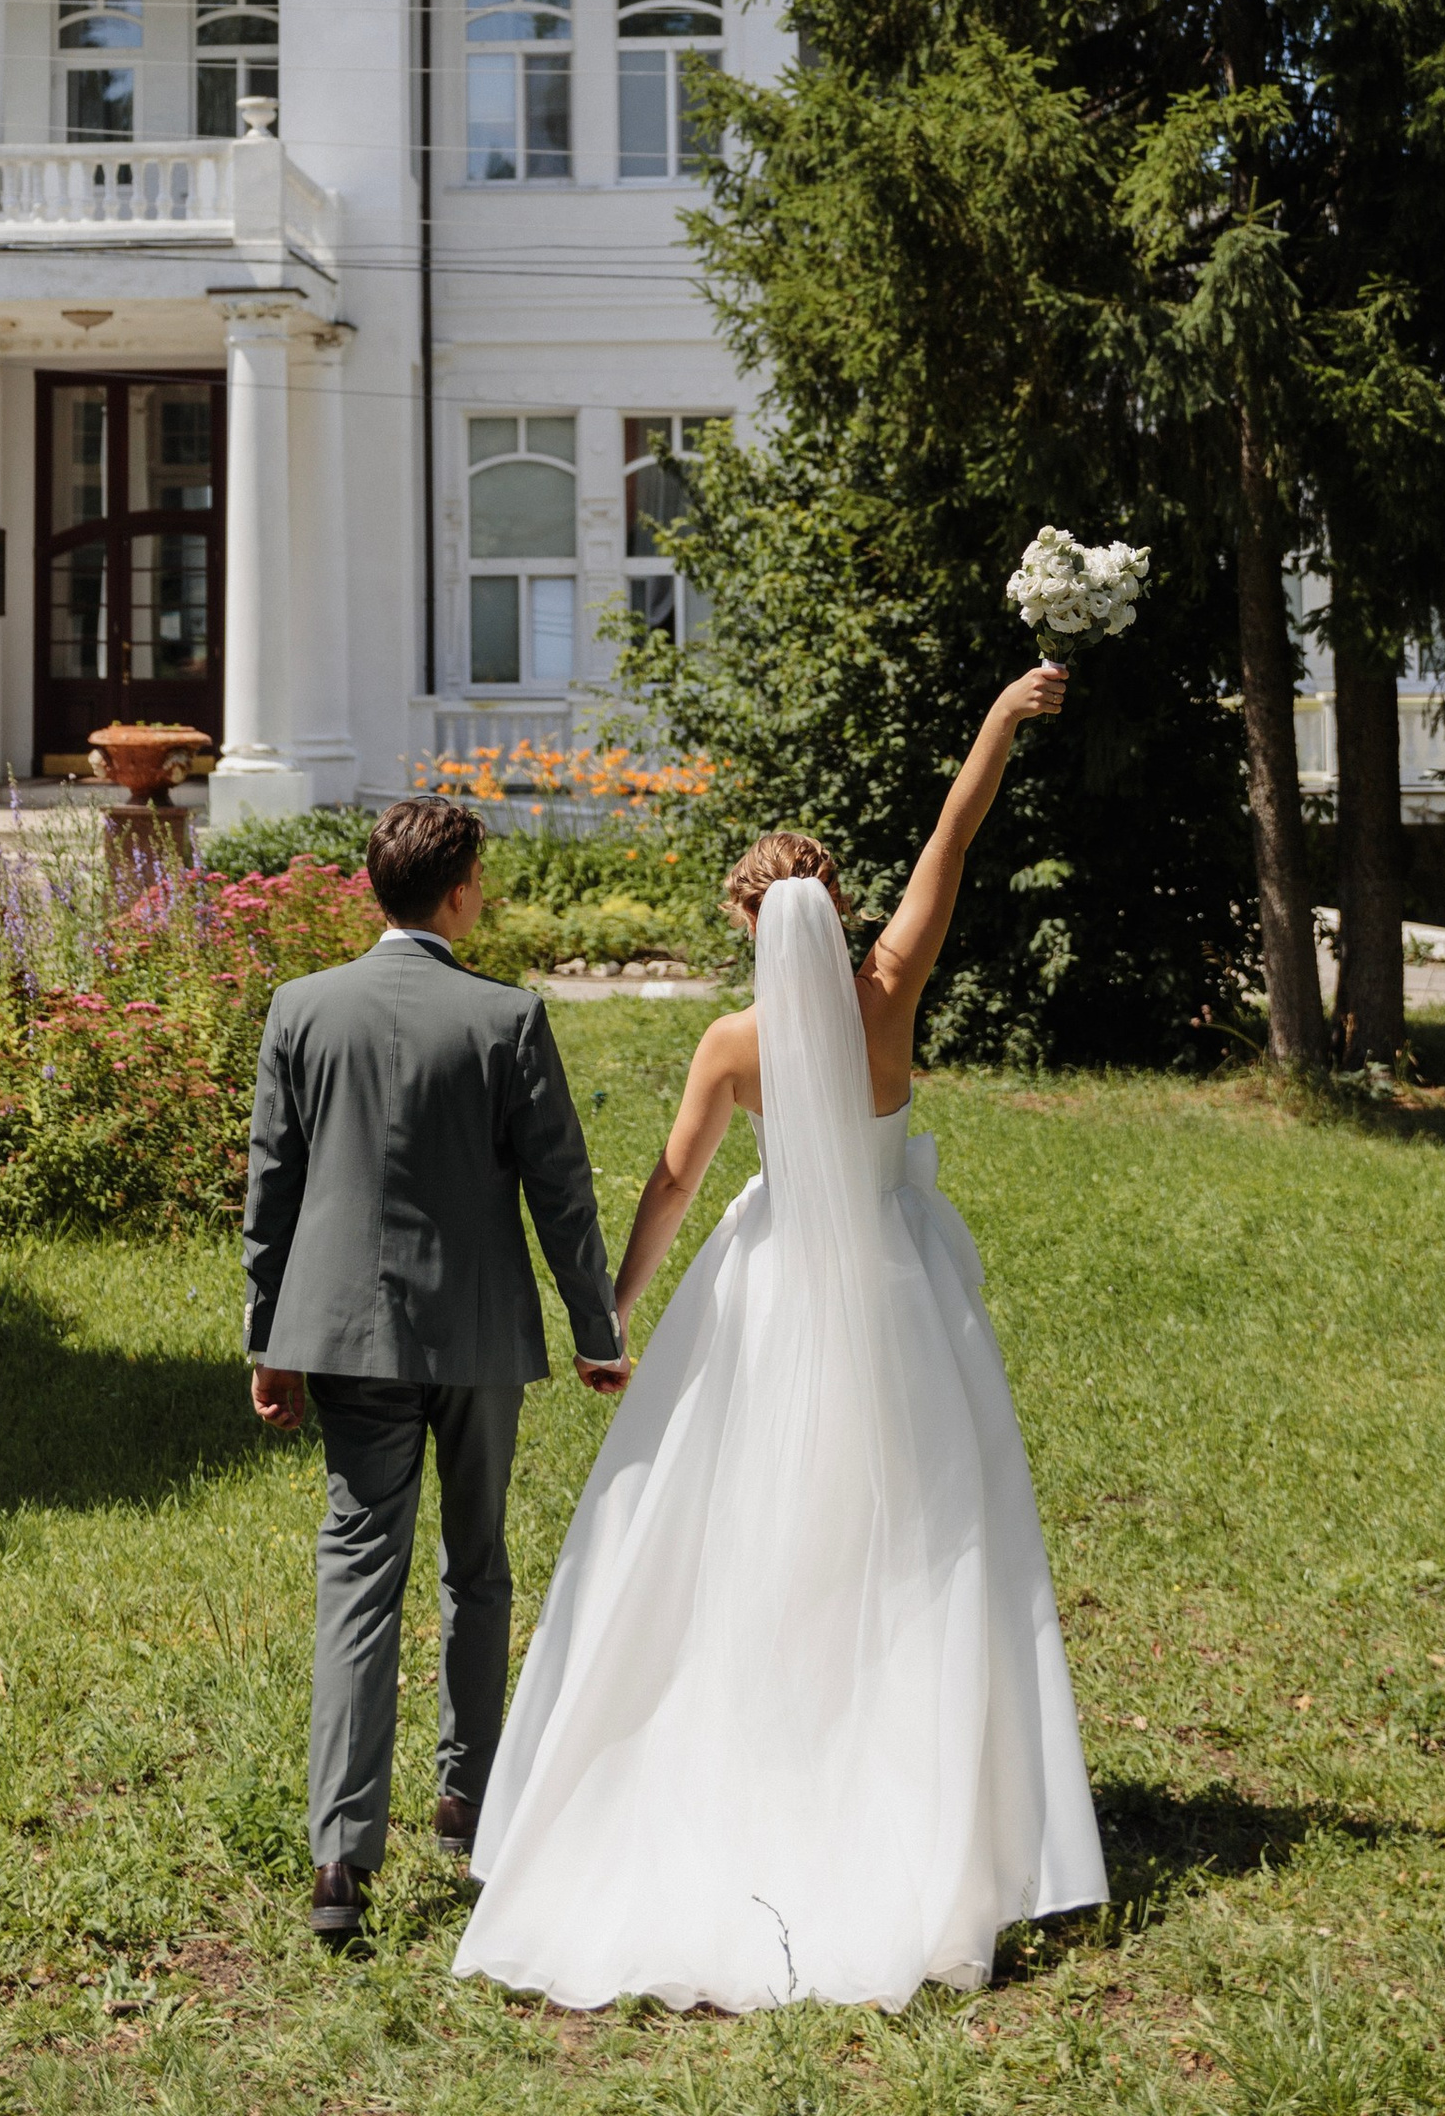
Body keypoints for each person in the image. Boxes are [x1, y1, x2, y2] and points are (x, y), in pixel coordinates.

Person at [453, 664, 1108, 2013]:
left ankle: (751, 1741)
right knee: (929, 1534)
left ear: (755, 924)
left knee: (729, 1526)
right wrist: (994, 718)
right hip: (897, 1285)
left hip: (764, 1296)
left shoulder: (731, 1043)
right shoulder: (892, 986)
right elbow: (954, 837)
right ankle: (926, 1780)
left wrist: (615, 1310)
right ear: (840, 910)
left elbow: (675, 1187)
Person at [242, 792, 631, 1950]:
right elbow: (560, 1190)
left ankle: (338, 1860)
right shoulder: (507, 1018)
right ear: (459, 887)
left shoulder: (302, 1009)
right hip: (476, 1338)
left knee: (358, 1577)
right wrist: (595, 1331)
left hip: (344, 1336)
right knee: (478, 1567)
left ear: (376, 887)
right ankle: (469, 1805)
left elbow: (273, 1188)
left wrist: (268, 1337)